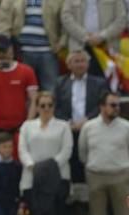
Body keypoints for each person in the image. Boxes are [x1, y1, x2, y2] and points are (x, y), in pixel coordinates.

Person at [79, 92, 129, 215]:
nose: (117, 108)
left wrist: (124, 169)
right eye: (113, 105)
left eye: (118, 105)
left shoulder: (127, 127)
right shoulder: (89, 127)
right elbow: (82, 153)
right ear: (102, 107)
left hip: (120, 176)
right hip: (95, 176)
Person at [18, 89, 72, 215]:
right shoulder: (27, 126)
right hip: (31, 178)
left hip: (58, 177)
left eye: (50, 105)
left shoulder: (63, 126)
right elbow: (22, 149)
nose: (46, 108)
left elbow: (67, 150)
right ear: (37, 107)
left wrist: (47, 168)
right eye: (42, 105)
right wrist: (34, 167)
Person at [0, 34, 38, 165]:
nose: (1, 55)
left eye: (3, 51)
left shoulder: (26, 71)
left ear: (11, 50)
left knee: (18, 166)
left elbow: (33, 99)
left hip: (17, 127)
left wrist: (28, 124)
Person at [54, 49, 108, 186]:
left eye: (83, 61)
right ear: (69, 64)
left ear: (88, 64)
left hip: (92, 130)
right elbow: (56, 107)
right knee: (71, 165)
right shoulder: (60, 83)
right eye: (76, 61)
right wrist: (68, 122)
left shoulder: (99, 83)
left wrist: (87, 120)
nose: (80, 64)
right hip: (68, 130)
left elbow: (102, 105)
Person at [0, 0, 64, 92]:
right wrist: (6, 47)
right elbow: (3, 22)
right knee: (21, 89)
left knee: (50, 90)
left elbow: (65, 20)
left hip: (49, 52)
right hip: (22, 52)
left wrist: (62, 43)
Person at [60, 0, 128, 58]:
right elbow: (66, 17)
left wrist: (102, 36)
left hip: (107, 48)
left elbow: (122, 19)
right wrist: (85, 36)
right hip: (79, 48)